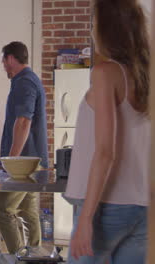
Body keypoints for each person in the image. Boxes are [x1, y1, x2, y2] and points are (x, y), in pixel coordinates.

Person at [64, 0, 150, 263]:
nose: (92, 30)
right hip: (142, 207)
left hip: (106, 206)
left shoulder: (105, 73)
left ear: (106, 28)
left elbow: (105, 152)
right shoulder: (144, 75)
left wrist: (86, 220)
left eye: (94, 24)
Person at [0, 41, 48, 254]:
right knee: (28, 211)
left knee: (1, 210)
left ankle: (19, 257)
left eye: (3, 61)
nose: (3, 66)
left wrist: (12, 161)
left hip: (23, 165)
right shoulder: (27, 80)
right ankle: (36, 256)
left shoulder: (24, 82)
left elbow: (24, 121)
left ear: (11, 59)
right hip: (32, 163)